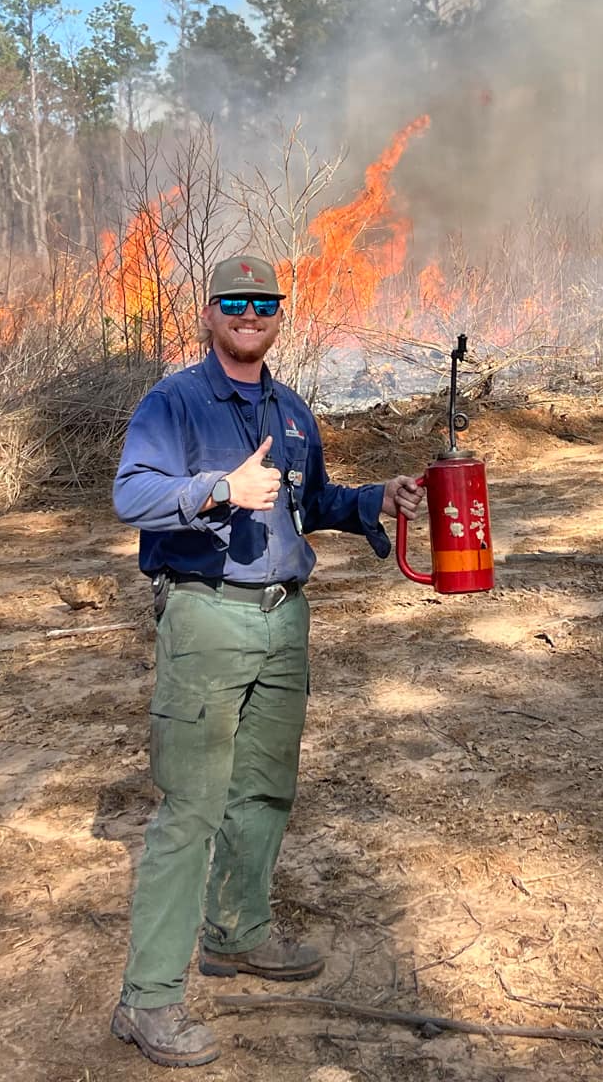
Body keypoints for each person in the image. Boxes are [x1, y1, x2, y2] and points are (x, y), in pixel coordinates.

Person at [107, 254, 426, 1067]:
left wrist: (374, 500)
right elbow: (130, 494)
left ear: (279, 315)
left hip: (285, 620)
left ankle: (237, 932)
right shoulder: (174, 402)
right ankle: (147, 1000)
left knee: (265, 789)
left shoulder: (290, 409)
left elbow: (310, 502)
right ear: (209, 313)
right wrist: (217, 489)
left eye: (264, 303)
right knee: (192, 808)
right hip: (206, 618)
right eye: (235, 302)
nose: (250, 314)